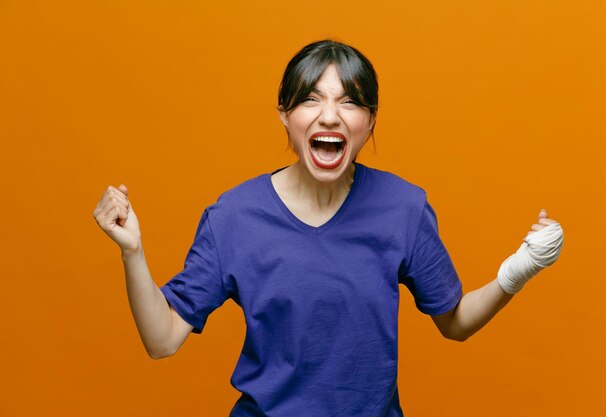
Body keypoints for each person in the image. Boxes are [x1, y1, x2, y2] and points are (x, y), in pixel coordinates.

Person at [93, 39, 564, 416]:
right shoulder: (232, 218)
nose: (330, 115)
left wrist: (520, 267)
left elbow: (455, 323)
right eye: (311, 99)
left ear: (370, 119)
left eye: (350, 102)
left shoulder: (403, 207)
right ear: (285, 114)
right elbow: (162, 340)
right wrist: (132, 252)